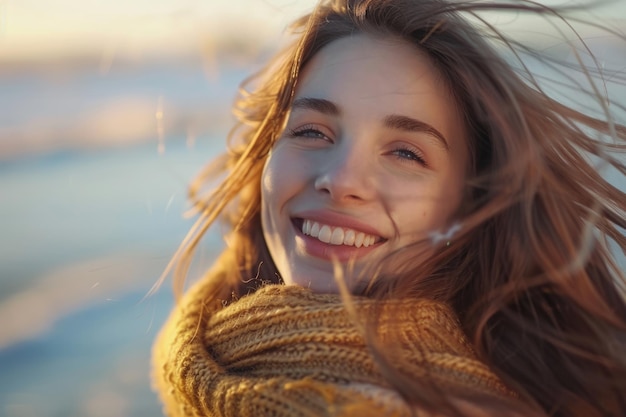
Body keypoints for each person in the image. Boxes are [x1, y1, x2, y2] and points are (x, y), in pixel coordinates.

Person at [151, 0, 626, 416]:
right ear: (265, 156)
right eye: (312, 131)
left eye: (405, 153)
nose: (340, 182)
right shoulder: (208, 348)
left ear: (467, 204)